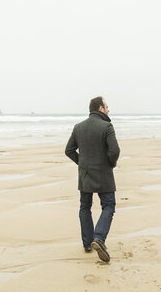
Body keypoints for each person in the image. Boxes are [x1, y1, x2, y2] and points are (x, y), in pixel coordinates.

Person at [65, 96, 120, 262]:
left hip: (85, 174)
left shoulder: (78, 127)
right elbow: (115, 151)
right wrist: (110, 164)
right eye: (107, 106)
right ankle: (99, 238)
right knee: (109, 205)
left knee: (85, 207)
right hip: (104, 174)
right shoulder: (107, 126)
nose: (109, 109)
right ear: (100, 108)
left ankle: (88, 243)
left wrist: (82, 164)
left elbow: (69, 150)